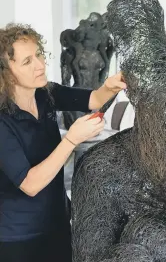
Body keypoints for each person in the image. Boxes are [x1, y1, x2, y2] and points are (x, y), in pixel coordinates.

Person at [0, 23, 127, 262]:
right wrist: (71, 139)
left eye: (38, 54)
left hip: (58, 223)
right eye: (27, 62)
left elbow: (93, 99)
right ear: (5, 72)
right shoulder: (2, 120)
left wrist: (109, 87)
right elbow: (30, 184)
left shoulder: (46, 94)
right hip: (17, 238)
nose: (40, 64)